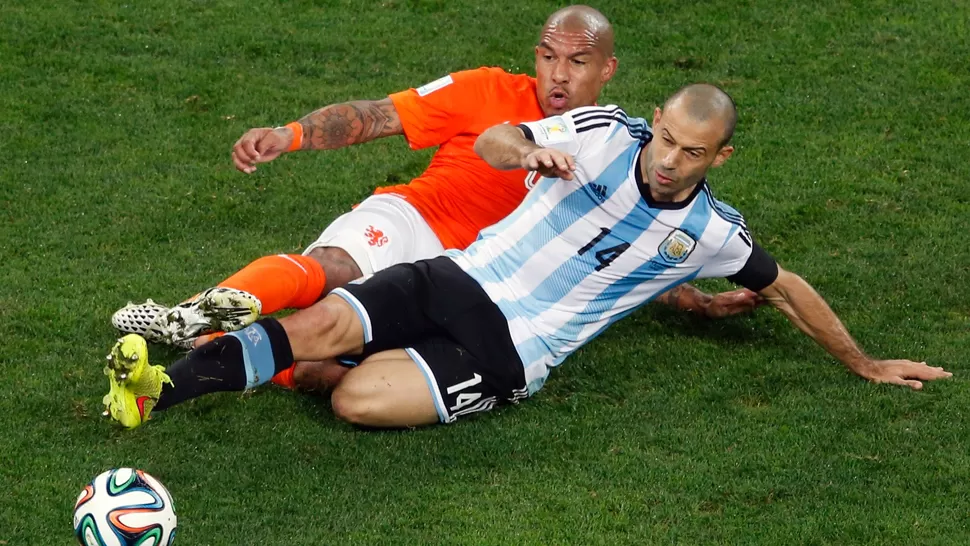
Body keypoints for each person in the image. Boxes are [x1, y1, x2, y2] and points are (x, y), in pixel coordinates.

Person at [100, 84, 952, 429]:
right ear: (653, 122)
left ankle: (364, 361)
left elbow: (788, 288)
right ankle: (156, 390)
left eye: (691, 152)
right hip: (458, 274)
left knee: (353, 398)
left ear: (718, 158)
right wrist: (524, 153)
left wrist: (866, 362)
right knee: (317, 320)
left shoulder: (711, 236)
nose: (666, 159)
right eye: (665, 138)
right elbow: (502, 137)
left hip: (513, 349)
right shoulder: (600, 131)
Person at [109, 5, 761, 392]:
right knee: (332, 268)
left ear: (607, 69)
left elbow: (623, 251)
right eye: (548, 57)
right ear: (533, 57)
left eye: (579, 61)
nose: (559, 75)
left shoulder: (622, 147)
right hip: (415, 219)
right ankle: (190, 317)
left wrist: (696, 303)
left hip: (468, 281)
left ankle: (222, 352)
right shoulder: (483, 91)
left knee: (325, 370)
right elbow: (377, 115)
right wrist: (294, 134)